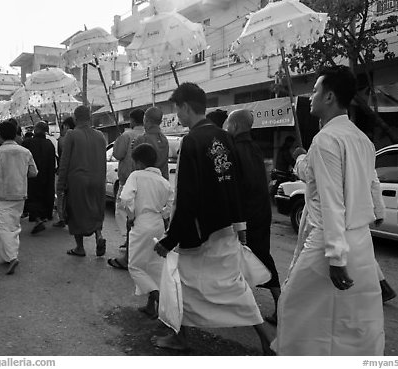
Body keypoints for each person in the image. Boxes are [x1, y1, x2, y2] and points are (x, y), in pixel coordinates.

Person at [152, 83, 273, 354]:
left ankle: (180, 337)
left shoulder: (191, 141)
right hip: (224, 226)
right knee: (232, 285)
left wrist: (170, 238)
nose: (178, 116)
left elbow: (187, 196)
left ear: (184, 106)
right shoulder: (225, 137)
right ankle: (266, 338)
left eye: (177, 109)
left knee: (178, 281)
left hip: (200, 230)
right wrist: (240, 225)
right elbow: (235, 184)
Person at [272, 66, 384, 355]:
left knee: (296, 308)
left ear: (330, 96)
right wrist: (300, 158)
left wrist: (335, 256)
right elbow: (370, 182)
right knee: (351, 318)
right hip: (359, 241)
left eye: (315, 90)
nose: (310, 96)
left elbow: (333, 199)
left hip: (328, 241)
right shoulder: (362, 139)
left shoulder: (326, 140)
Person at [225, 109, 281, 325]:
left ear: (236, 127)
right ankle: (272, 305)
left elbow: (237, 186)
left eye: (228, 125)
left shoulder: (235, 149)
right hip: (261, 210)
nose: (226, 129)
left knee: (251, 257)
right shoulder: (255, 148)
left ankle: (276, 306)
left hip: (245, 214)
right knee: (258, 256)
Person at [118, 143, 174, 319]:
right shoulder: (164, 181)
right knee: (154, 267)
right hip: (158, 223)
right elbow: (170, 205)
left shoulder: (136, 175)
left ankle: (160, 300)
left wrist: (131, 216)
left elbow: (126, 198)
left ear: (139, 162)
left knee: (135, 266)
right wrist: (163, 215)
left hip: (141, 223)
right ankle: (151, 306)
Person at [0, 121, 38, 275]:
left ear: (0, 135)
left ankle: (12, 256)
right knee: (14, 225)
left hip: (3, 194)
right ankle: (6, 257)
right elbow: (34, 172)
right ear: (16, 133)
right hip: (20, 193)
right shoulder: (25, 152)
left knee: (3, 226)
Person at [56, 106, 107, 257]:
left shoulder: (72, 135)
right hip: (98, 180)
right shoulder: (100, 136)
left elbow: (65, 162)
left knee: (75, 213)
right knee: (96, 210)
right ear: (90, 117)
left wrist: (60, 185)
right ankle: (99, 236)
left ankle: (80, 248)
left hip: (78, 181)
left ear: (75, 118)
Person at [111, 108, 145, 258]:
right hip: (145, 181)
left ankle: (128, 239)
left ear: (132, 120)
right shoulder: (151, 135)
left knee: (122, 210)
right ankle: (137, 241)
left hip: (127, 180)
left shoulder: (126, 135)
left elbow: (117, 154)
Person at [22, 121, 57, 234]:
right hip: (47, 176)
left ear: (36, 130)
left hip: (32, 176)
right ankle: (43, 217)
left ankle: (38, 219)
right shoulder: (49, 144)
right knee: (44, 196)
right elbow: (53, 163)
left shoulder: (28, 143)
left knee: (32, 197)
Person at [132, 107, 170, 180]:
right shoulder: (164, 139)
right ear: (160, 122)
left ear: (145, 120)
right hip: (162, 182)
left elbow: (135, 166)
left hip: (145, 183)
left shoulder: (141, 139)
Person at [52, 116, 76, 228]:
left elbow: (62, 157)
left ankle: (62, 218)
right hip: (76, 172)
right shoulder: (78, 136)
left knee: (61, 194)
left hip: (65, 171)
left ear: (66, 126)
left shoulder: (63, 139)